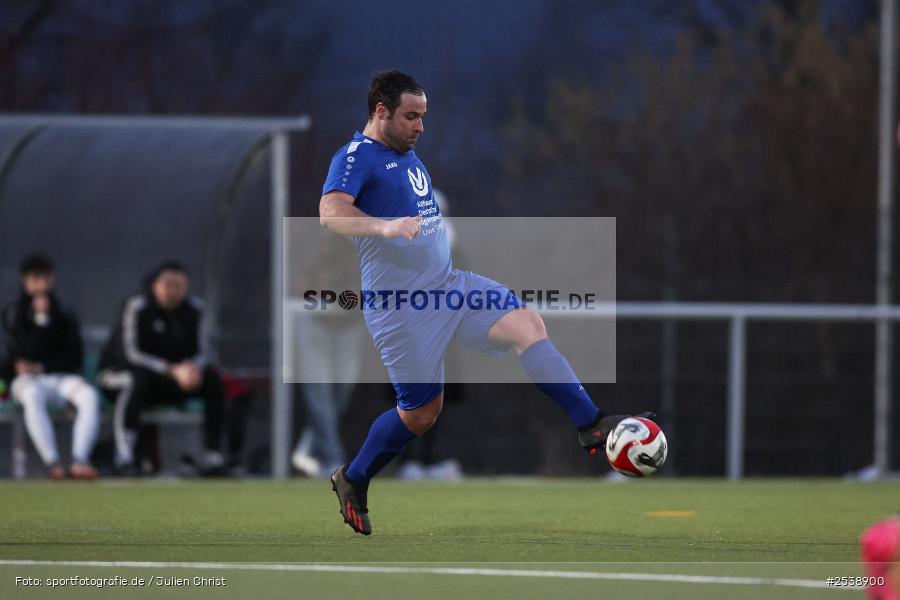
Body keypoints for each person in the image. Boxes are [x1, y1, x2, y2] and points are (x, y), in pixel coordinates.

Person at [319, 70, 654, 535]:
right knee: (421, 414)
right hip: (401, 309)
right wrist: (384, 227)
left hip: (451, 287)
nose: (420, 126)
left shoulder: (407, 156)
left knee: (527, 323)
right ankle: (353, 478)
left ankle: (591, 424)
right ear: (381, 112)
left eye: (424, 117)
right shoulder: (356, 156)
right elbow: (331, 212)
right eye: (411, 116)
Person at [97, 261, 226, 476]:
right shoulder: (137, 306)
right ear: (155, 285)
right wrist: (172, 369)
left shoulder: (194, 309)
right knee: (135, 379)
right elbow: (130, 353)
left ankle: (213, 456)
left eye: (180, 286)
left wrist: (191, 368)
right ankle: (125, 456)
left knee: (213, 380)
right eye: (168, 285)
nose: (173, 291)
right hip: (120, 376)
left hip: (170, 381)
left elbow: (204, 350)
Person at [0, 254, 99, 480]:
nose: (41, 284)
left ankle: (79, 460)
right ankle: (52, 463)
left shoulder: (64, 313)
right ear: (25, 282)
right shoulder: (14, 313)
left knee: (89, 396)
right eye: (35, 278)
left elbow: (74, 356)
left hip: (60, 377)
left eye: (45, 278)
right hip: (26, 382)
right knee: (32, 395)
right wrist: (39, 321)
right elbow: (17, 353)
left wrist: (43, 366)